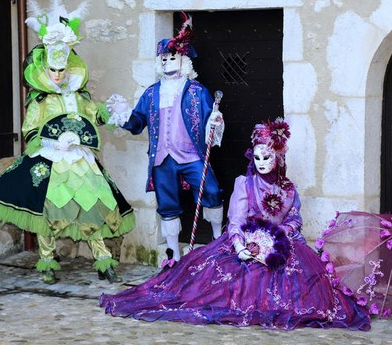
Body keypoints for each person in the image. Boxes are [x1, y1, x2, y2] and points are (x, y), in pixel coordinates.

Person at [99, 118, 371, 331]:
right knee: (224, 285)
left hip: (281, 246)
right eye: (258, 157)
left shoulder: (288, 189)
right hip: (246, 243)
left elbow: (294, 219)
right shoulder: (245, 184)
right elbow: (236, 221)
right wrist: (242, 246)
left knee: (305, 290)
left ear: (279, 158)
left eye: (268, 157)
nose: (262, 163)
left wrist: (283, 234)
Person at [0, 0, 135, 284]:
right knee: (49, 212)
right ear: (44, 69)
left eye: (62, 70)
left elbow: (93, 117)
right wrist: (51, 141)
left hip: (80, 159)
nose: (58, 75)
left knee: (92, 207)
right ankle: (47, 261)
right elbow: (30, 130)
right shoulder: (40, 100)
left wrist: (109, 112)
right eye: (53, 70)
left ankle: (103, 262)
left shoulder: (79, 95)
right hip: (53, 160)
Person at [106, 12, 224, 267]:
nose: (169, 62)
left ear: (183, 62)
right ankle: (173, 253)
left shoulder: (197, 91)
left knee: (211, 191)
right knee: (167, 203)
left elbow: (209, 122)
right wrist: (124, 114)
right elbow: (137, 124)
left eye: (174, 58)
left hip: (191, 154)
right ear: (160, 63)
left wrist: (215, 123)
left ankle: (217, 240)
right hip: (162, 158)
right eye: (164, 58)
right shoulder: (151, 93)